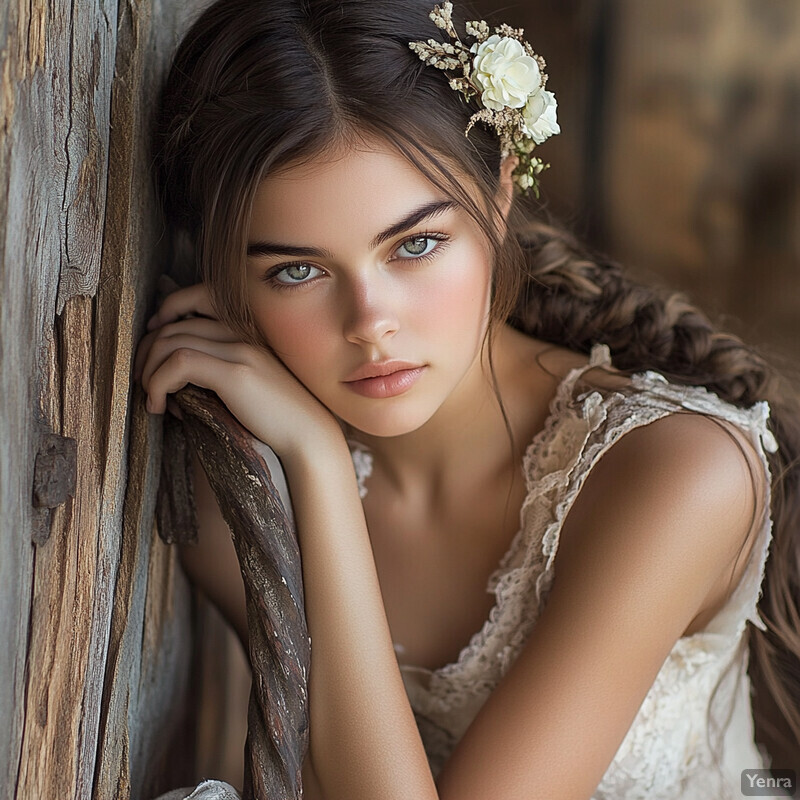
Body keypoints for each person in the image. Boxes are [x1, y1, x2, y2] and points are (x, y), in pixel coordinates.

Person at [134, 1, 800, 797]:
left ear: (500, 193)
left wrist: (316, 461)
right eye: (297, 271)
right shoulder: (221, 506)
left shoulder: (677, 474)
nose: (371, 325)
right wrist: (315, 468)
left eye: (415, 245)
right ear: (224, 279)